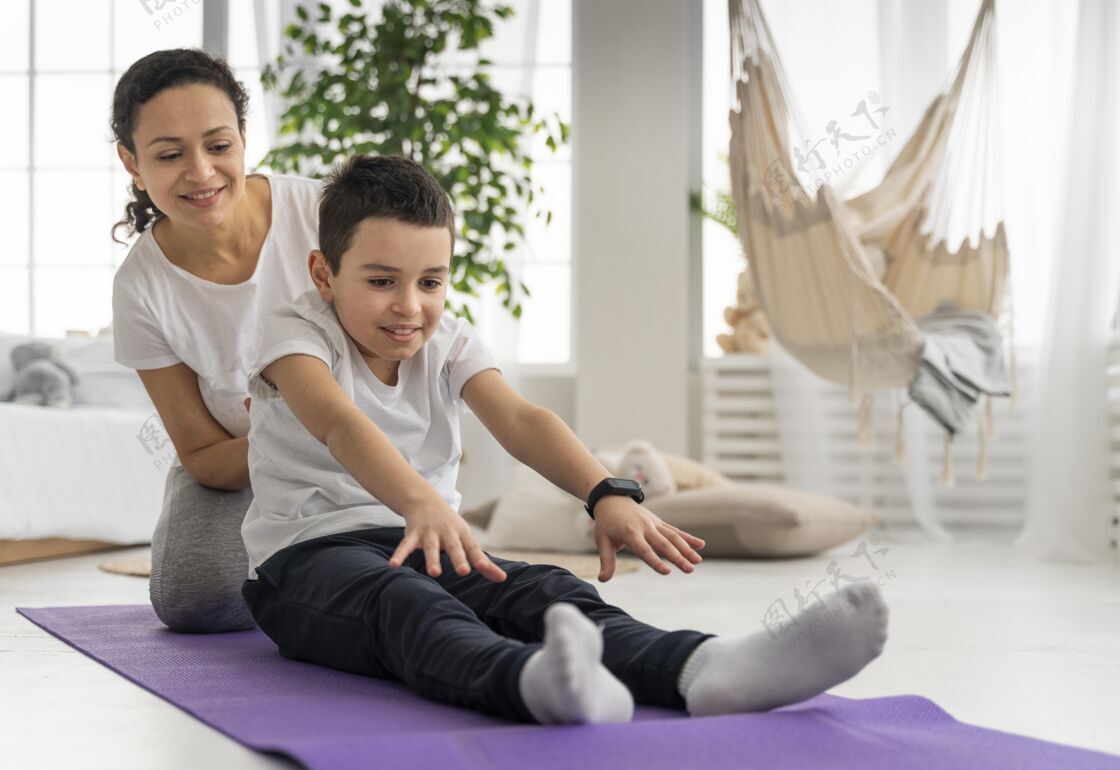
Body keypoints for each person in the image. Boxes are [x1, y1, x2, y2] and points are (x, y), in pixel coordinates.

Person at [240, 154, 891, 725]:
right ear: (324, 274)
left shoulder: (449, 341)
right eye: (382, 281)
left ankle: (703, 668)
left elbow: (522, 420)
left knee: (547, 589)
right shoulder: (293, 334)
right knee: (405, 604)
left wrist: (606, 492)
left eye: (431, 282)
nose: (410, 305)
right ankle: (534, 683)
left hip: (429, 540)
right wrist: (419, 501)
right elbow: (338, 423)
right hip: (306, 560)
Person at [109, 48, 327, 633]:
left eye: (218, 145)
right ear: (132, 162)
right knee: (194, 597)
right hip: (240, 463)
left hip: (359, 448)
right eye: (170, 154)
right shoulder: (140, 288)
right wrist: (293, 435)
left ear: (243, 137)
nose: (201, 172)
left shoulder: (326, 215)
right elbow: (203, 454)